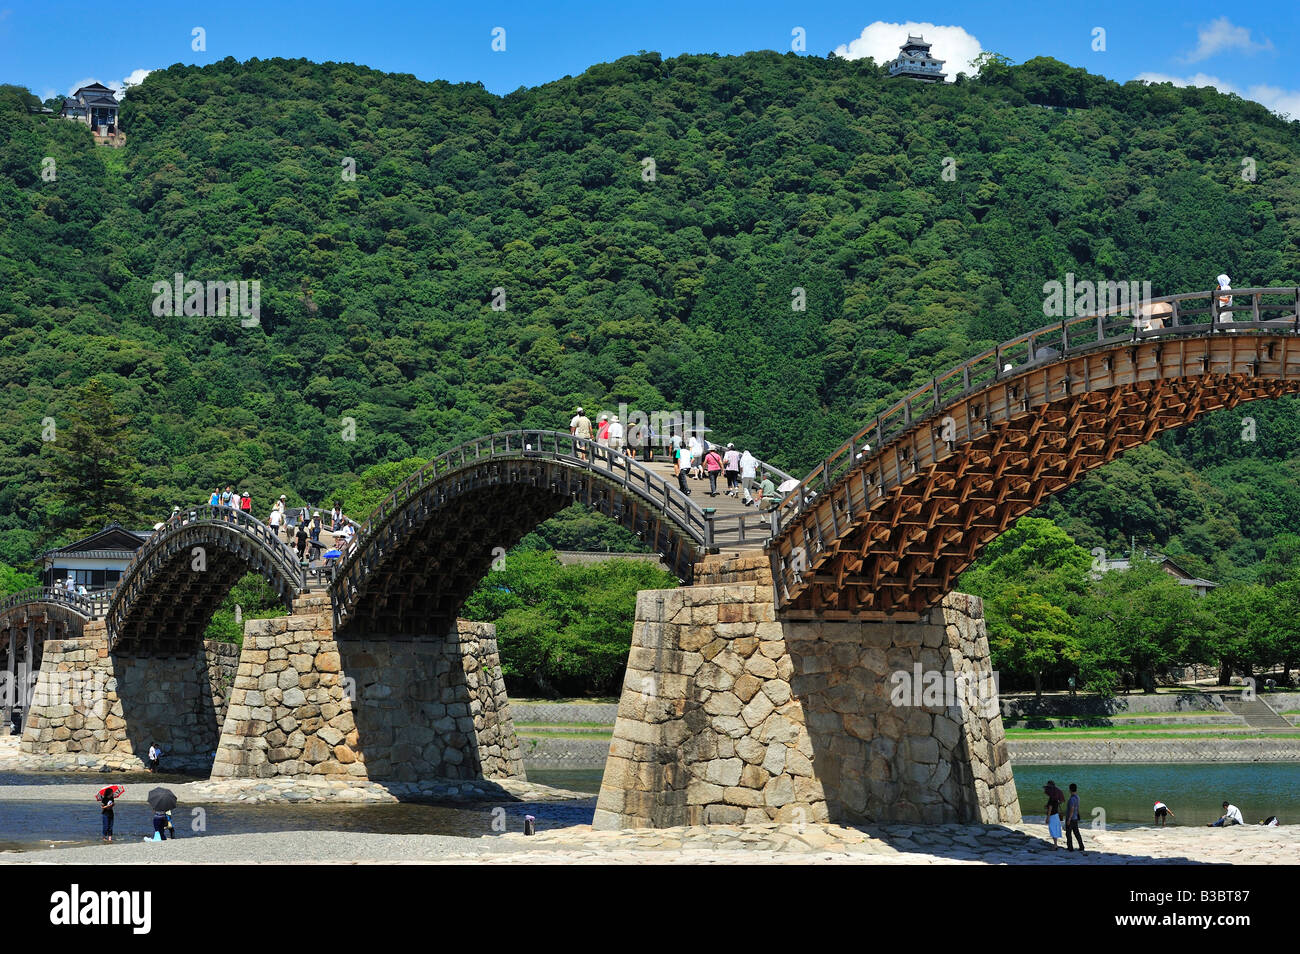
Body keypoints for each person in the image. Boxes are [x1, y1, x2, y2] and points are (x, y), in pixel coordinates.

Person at [1064, 782, 1084, 852]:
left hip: (1071, 818)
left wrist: (1069, 819)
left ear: (1070, 790)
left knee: (1068, 833)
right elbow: (1077, 807)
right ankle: (1081, 846)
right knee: (1077, 833)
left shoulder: (1072, 799)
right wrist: (1078, 815)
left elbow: (1072, 808)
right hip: (1075, 818)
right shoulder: (1078, 797)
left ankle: (1070, 848)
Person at [1044, 781, 1064, 848]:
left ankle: (1055, 845)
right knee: (1055, 829)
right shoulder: (1056, 797)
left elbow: (1050, 808)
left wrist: (1047, 817)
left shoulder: (1051, 798)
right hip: (1056, 815)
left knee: (1052, 829)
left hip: (1052, 815)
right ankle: (1055, 844)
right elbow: (1055, 805)